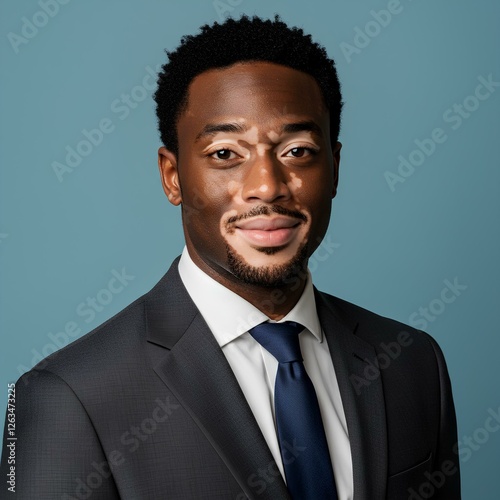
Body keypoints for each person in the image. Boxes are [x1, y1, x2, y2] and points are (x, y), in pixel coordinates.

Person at [0, 15, 460, 500]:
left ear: (335, 167)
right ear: (172, 176)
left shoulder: (411, 362)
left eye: (298, 150)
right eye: (224, 154)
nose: (267, 185)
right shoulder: (67, 397)